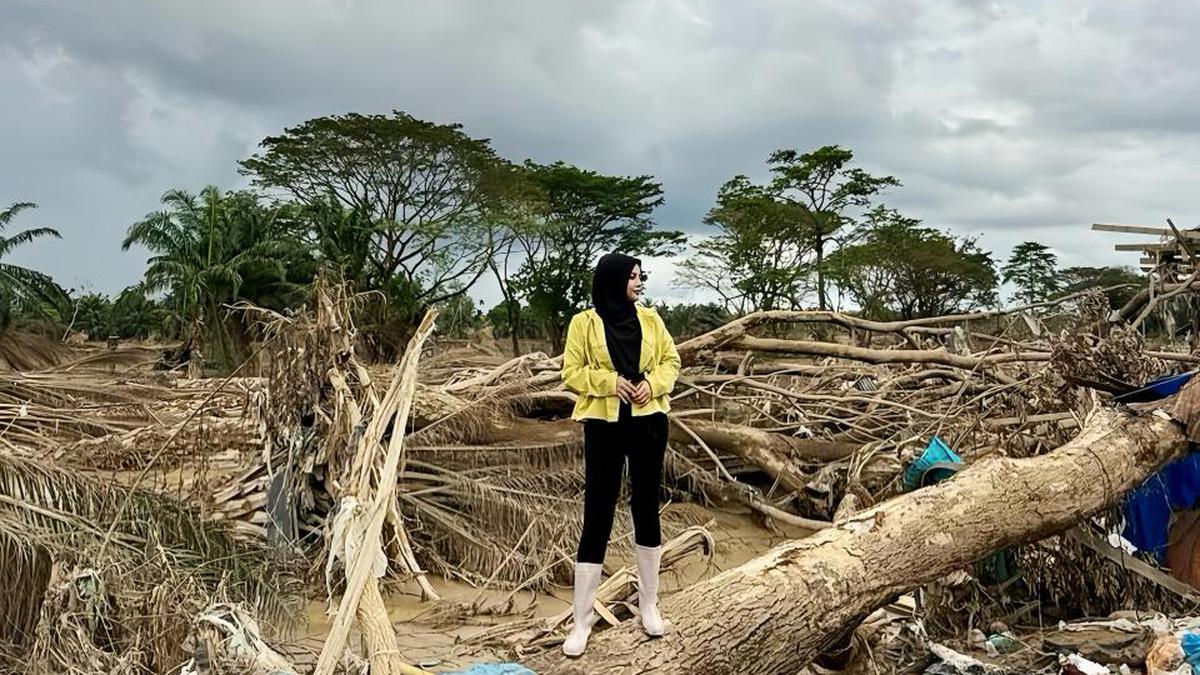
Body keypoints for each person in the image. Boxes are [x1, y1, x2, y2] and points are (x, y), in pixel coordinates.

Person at [558, 252, 681, 657]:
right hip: (603, 425)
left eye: (640, 276)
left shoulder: (651, 319)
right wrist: (609, 383)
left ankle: (649, 604)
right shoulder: (584, 323)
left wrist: (654, 386)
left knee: (645, 506)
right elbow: (571, 372)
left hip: (649, 423)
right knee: (598, 513)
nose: (639, 282)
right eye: (632, 277)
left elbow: (671, 360)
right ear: (612, 281)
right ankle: (581, 620)